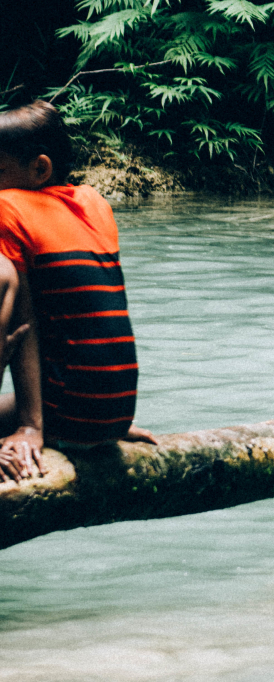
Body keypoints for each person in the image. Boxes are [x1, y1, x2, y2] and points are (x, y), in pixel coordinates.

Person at [0, 102, 156, 481]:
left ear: (40, 168)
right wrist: (108, 420)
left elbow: (25, 328)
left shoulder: (7, 207)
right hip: (113, 415)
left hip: (64, 417)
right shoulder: (94, 203)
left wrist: (31, 427)